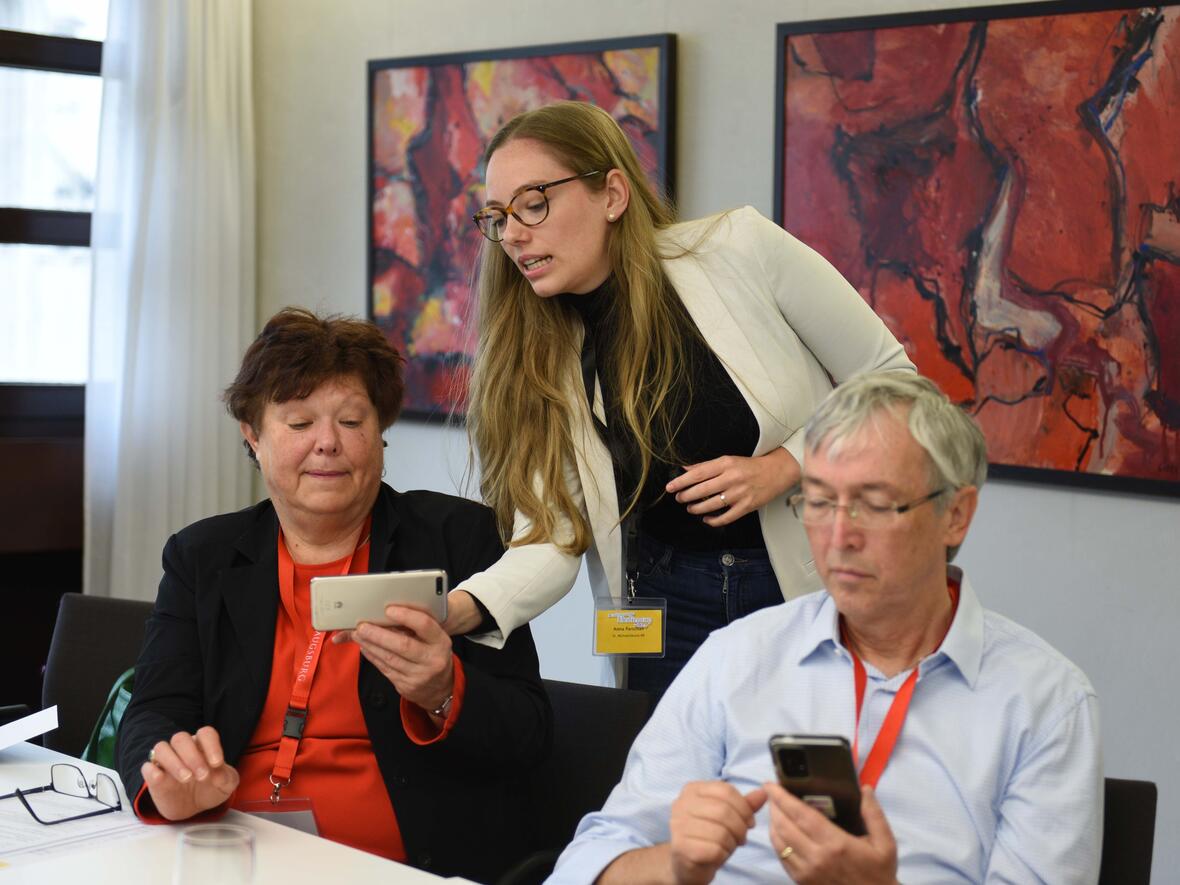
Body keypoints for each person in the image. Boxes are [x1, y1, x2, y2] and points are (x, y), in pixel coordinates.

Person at [548, 373, 1102, 884]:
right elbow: (583, 867)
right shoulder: (738, 657)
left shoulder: (1043, 701)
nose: (838, 537)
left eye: (873, 504)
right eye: (818, 501)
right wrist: (671, 863)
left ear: (955, 515)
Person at [446, 100, 915, 696]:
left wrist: (786, 465)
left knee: (810, 757)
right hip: (658, 607)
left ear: (612, 195)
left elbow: (895, 383)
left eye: (533, 203)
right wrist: (456, 610)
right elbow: (549, 540)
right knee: (666, 762)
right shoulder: (535, 356)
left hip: (797, 585)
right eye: (498, 216)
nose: (512, 234)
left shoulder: (741, 248)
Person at [115, 308, 552, 883]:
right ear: (252, 435)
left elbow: (530, 733)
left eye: (351, 421)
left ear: (381, 431)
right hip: (235, 852)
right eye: (299, 423)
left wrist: (446, 692)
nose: (327, 444)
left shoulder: (457, 539)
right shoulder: (202, 557)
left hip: (397, 867)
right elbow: (153, 712)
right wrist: (167, 780)